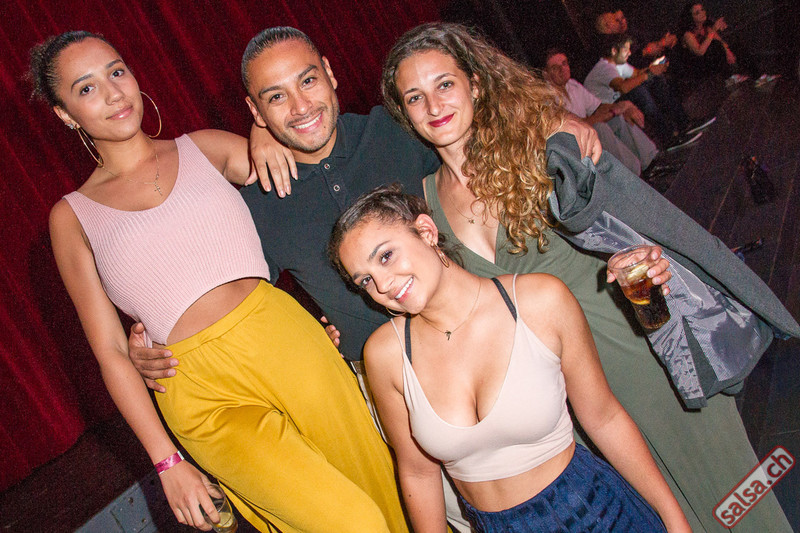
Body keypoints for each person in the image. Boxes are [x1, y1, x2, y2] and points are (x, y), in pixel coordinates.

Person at [128, 26, 601, 532]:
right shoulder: (257, 202)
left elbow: (479, 115)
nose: (300, 106)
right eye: (275, 97)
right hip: (385, 390)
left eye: (308, 80)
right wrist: (152, 343)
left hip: (494, 346)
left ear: (330, 73)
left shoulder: (396, 130)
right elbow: (232, 293)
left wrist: (559, 120)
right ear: (255, 110)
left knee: (575, 480)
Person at [380, 22, 792, 532]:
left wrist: (645, 259)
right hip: (567, 399)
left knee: (737, 504)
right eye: (414, 97)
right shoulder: (427, 208)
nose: (434, 105)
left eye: (445, 84)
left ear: (476, 84)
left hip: (638, 355)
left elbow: (635, 224)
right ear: (404, 111)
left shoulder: (545, 146)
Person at [33, 30, 408, 533]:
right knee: (351, 521)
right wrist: (167, 463)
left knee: (386, 495)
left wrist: (261, 130)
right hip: (195, 389)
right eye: (87, 88)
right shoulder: (72, 217)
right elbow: (111, 353)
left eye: (117, 72)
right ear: (65, 114)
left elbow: (302, 161)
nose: (113, 93)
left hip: (285, 341)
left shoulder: (205, 148)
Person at [327, 185, 690, 532]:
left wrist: (674, 519)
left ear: (426, 231)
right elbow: (418, 473)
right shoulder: (385, 354)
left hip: (595, 512)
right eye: (365, 281)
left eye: (386, 256)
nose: (383, 286)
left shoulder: (540, 301)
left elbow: (604, 418)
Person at [544, 47, 658, 175]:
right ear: (546, 74)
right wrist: (614, 111)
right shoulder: (547, 98)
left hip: (586, 136)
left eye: (564, 64)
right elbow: (578, 125)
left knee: (617, 119)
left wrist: (625, 106)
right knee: (600, 128)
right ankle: (635, 173)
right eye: (555, 68)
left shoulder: (572, 85)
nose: (562, 70)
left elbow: (598, 107)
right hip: (572, 148)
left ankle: (651, 162)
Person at [583, 34, 706, 151]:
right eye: (626, 50)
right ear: (614, 51)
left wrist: (654, 69)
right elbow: (623, 87)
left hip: (617, 101)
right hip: (604, 109)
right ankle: (669, 137)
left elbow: (637, 74)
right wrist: (648, 74)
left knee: (654, 80)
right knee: (639, 92)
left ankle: (684, 123)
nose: (629, 53)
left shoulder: (618, 65)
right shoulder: (604, 68)